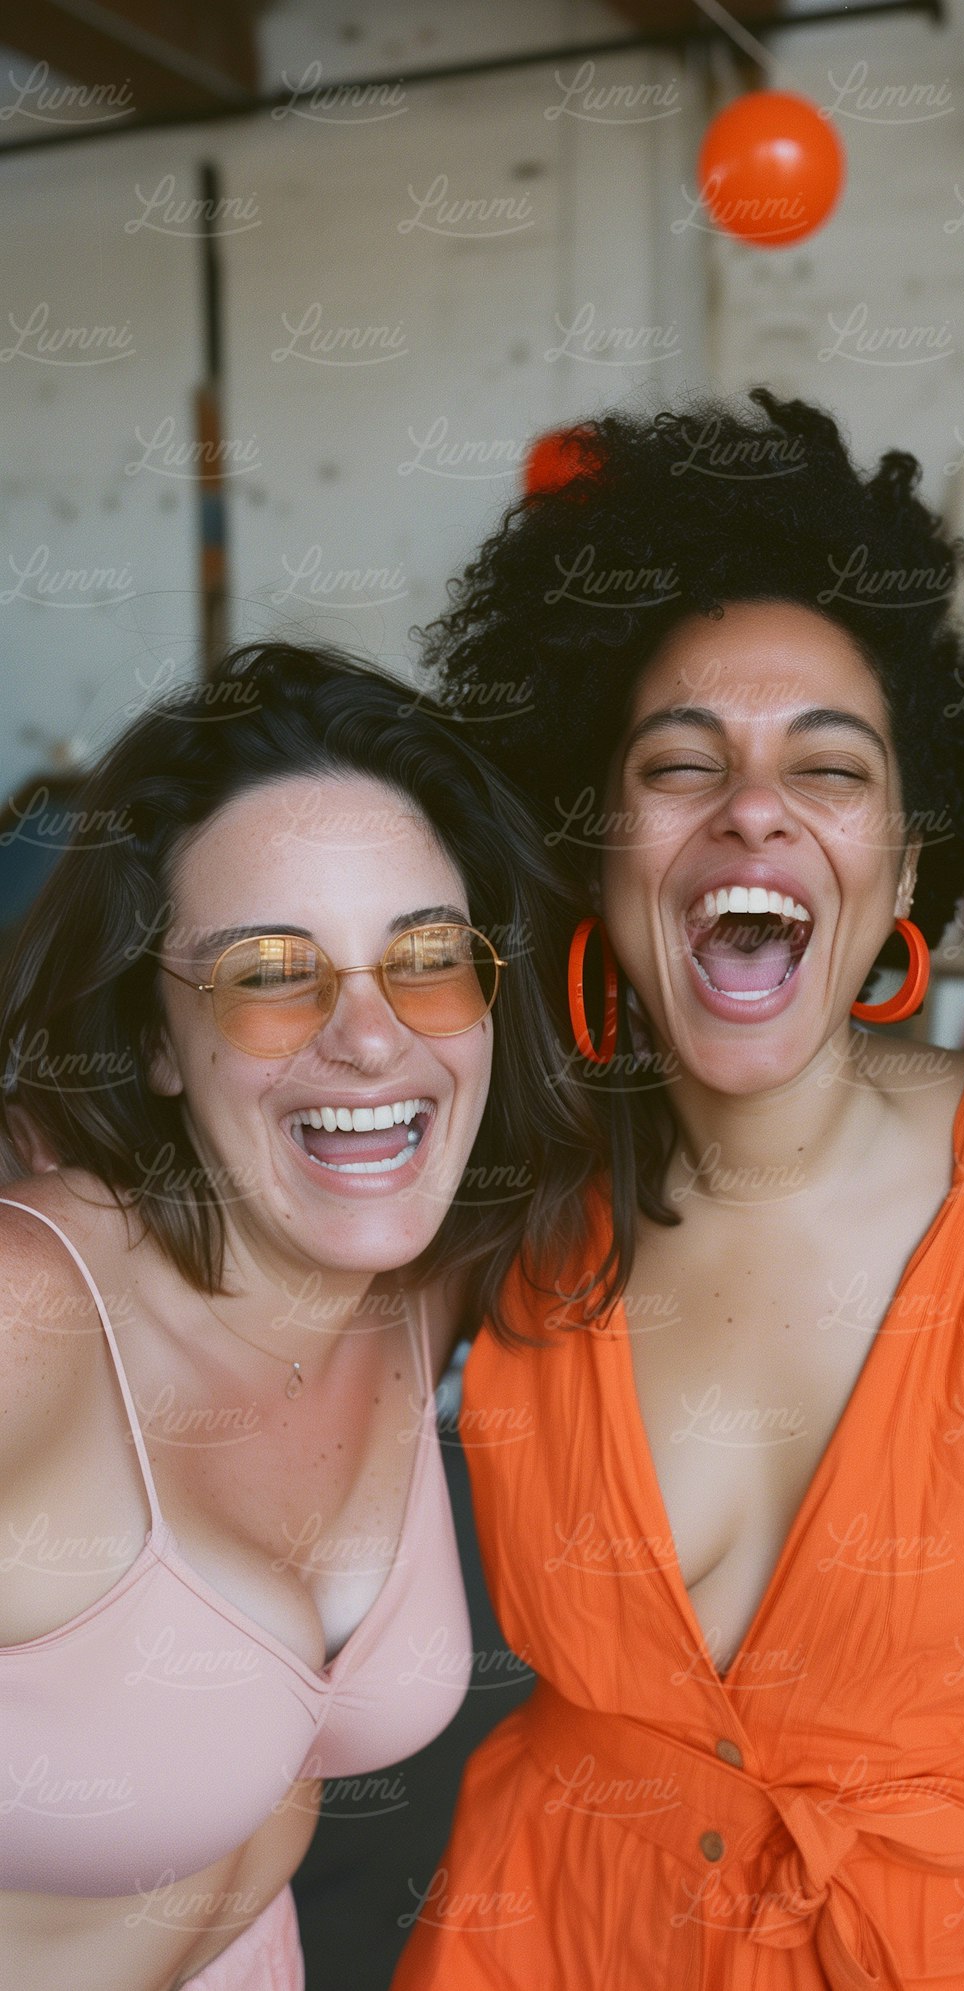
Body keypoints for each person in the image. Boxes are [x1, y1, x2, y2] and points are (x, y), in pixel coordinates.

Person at [391, 390, 964, 1990]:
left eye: (828, 771)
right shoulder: (496, 1205)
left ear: (902, 867)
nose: (753, 808)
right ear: (604, 846)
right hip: (553, 1938)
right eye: (681, 766)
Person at [0, 644, 596, 1991]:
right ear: (154, 1036)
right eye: (272, 971)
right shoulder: (37, 1313)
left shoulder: (413, 1282)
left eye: (429, 960)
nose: (373, 1037)